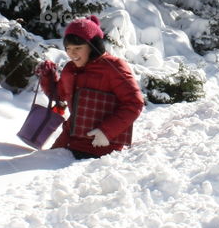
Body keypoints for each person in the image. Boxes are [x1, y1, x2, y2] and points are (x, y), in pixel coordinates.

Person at [37, 15, 144, 159]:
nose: (71, 53)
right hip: (67, 142)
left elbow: (134, 103)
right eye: (68, 48)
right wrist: (47, 76)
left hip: (100, 147)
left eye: (78, 47)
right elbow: (59, 95)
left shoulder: (114, 67)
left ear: (94, 46)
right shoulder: (70, 69)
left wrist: (107, 131)